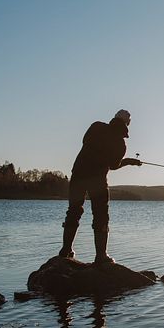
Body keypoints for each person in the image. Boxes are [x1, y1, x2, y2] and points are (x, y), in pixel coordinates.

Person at [58, 109, 142, 264]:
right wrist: (129, 162)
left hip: (78, 174)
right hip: (97, 180)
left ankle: (66, 250)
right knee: (101, 215)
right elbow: (114, 165)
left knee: (74, 211)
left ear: (114, 118)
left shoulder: (96, 126)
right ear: (127, 123)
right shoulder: (120, 143)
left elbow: (85, 142)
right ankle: (101, 256)